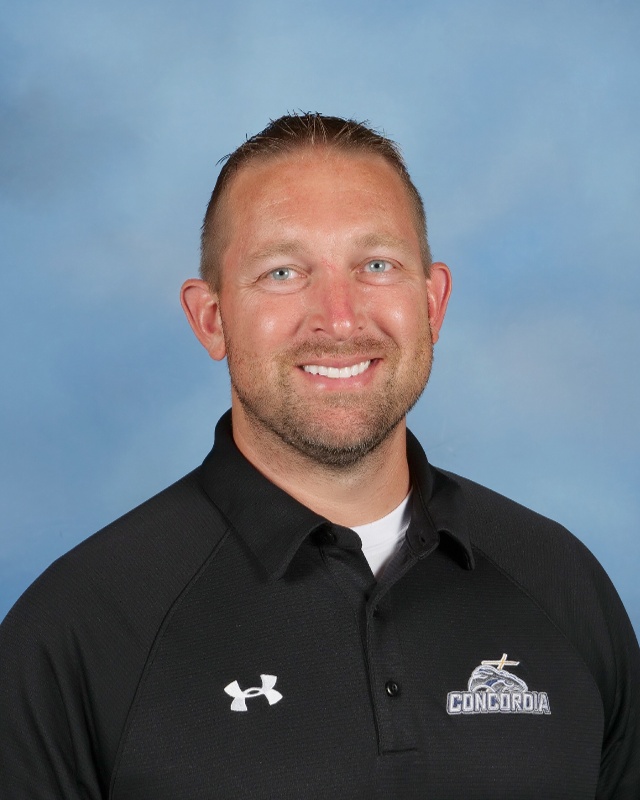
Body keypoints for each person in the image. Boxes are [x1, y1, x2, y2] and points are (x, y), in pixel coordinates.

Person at [0, 113, 638, 800]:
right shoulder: (78, 631)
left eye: (376, 265)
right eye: (282, 272)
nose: (338, 318)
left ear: (433, 303)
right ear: (211, 318)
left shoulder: (561, 585)